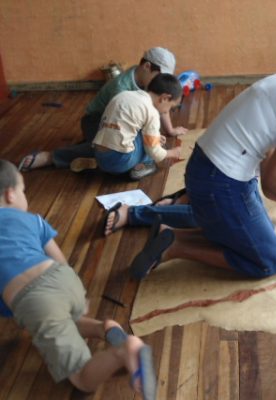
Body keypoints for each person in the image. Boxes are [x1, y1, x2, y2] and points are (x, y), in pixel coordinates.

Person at [128, 34, 276, 280]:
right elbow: (273, 184)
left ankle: (168, 232)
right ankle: (175, 245)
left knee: (254, 231)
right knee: (272, 260)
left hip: (203, 168)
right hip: (221, 181)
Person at [0, 160, 156, 399]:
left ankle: (124, 351)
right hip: (62, 277)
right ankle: (104, 329)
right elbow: (59, 258)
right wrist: (79, 291)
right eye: (24, 190)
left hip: (35, 301)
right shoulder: (33, 220)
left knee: (82, 380)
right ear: (10, 195)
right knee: (67, 315)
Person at [18, 47, 188, 179]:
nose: (160, 82)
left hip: (116, 130)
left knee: (111, 145)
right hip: (94, 121)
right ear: (147, 66)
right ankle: (52, 157)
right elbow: (121, 130)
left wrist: (170, 131)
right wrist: (157, 144)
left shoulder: (150, 90)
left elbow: (160, 108)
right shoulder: (121, 87)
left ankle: (94, 162)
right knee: (117, 144)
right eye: (160, 76)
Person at [92, 73, 182, 179]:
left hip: (99, 155)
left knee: (147, 140)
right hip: (120, 161)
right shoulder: (152, 112)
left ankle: (99, 165)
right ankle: (140, 168)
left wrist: (155, 138)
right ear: (164, 98)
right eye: (171, 108)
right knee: (152, 152)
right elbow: (156, 153)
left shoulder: (124, 94)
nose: (168, 111)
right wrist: (171, 153)